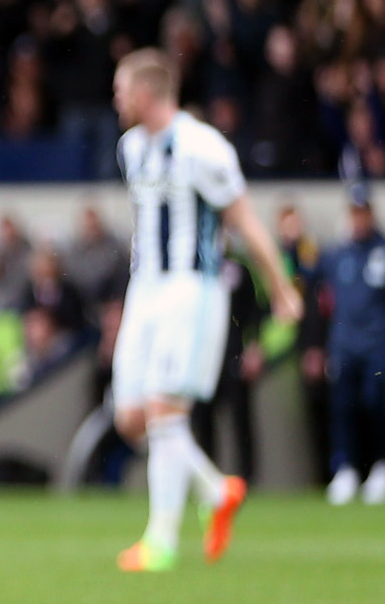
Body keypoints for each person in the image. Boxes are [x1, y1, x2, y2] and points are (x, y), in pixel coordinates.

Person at [108, 48, 301, 573]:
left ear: (148, 92)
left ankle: (160, 543)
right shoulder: (129, 148)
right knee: (130, 418)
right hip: (143, 290)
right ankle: (217, 490)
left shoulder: (202, 147)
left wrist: (280, 288)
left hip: (191, 292)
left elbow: (245, 221)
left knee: (165, 412)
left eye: (122, 88)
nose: (116, 98)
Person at [306, 187, 385, 505]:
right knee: (343, 409)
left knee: (376, 404)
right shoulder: (336, 254)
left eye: (363, 212)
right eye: (354, 213)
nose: (359, 219)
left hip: (378, 344)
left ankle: (379, 466)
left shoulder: (381, 251)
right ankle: (346, 468)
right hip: (344, 345)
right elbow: (308, 285)